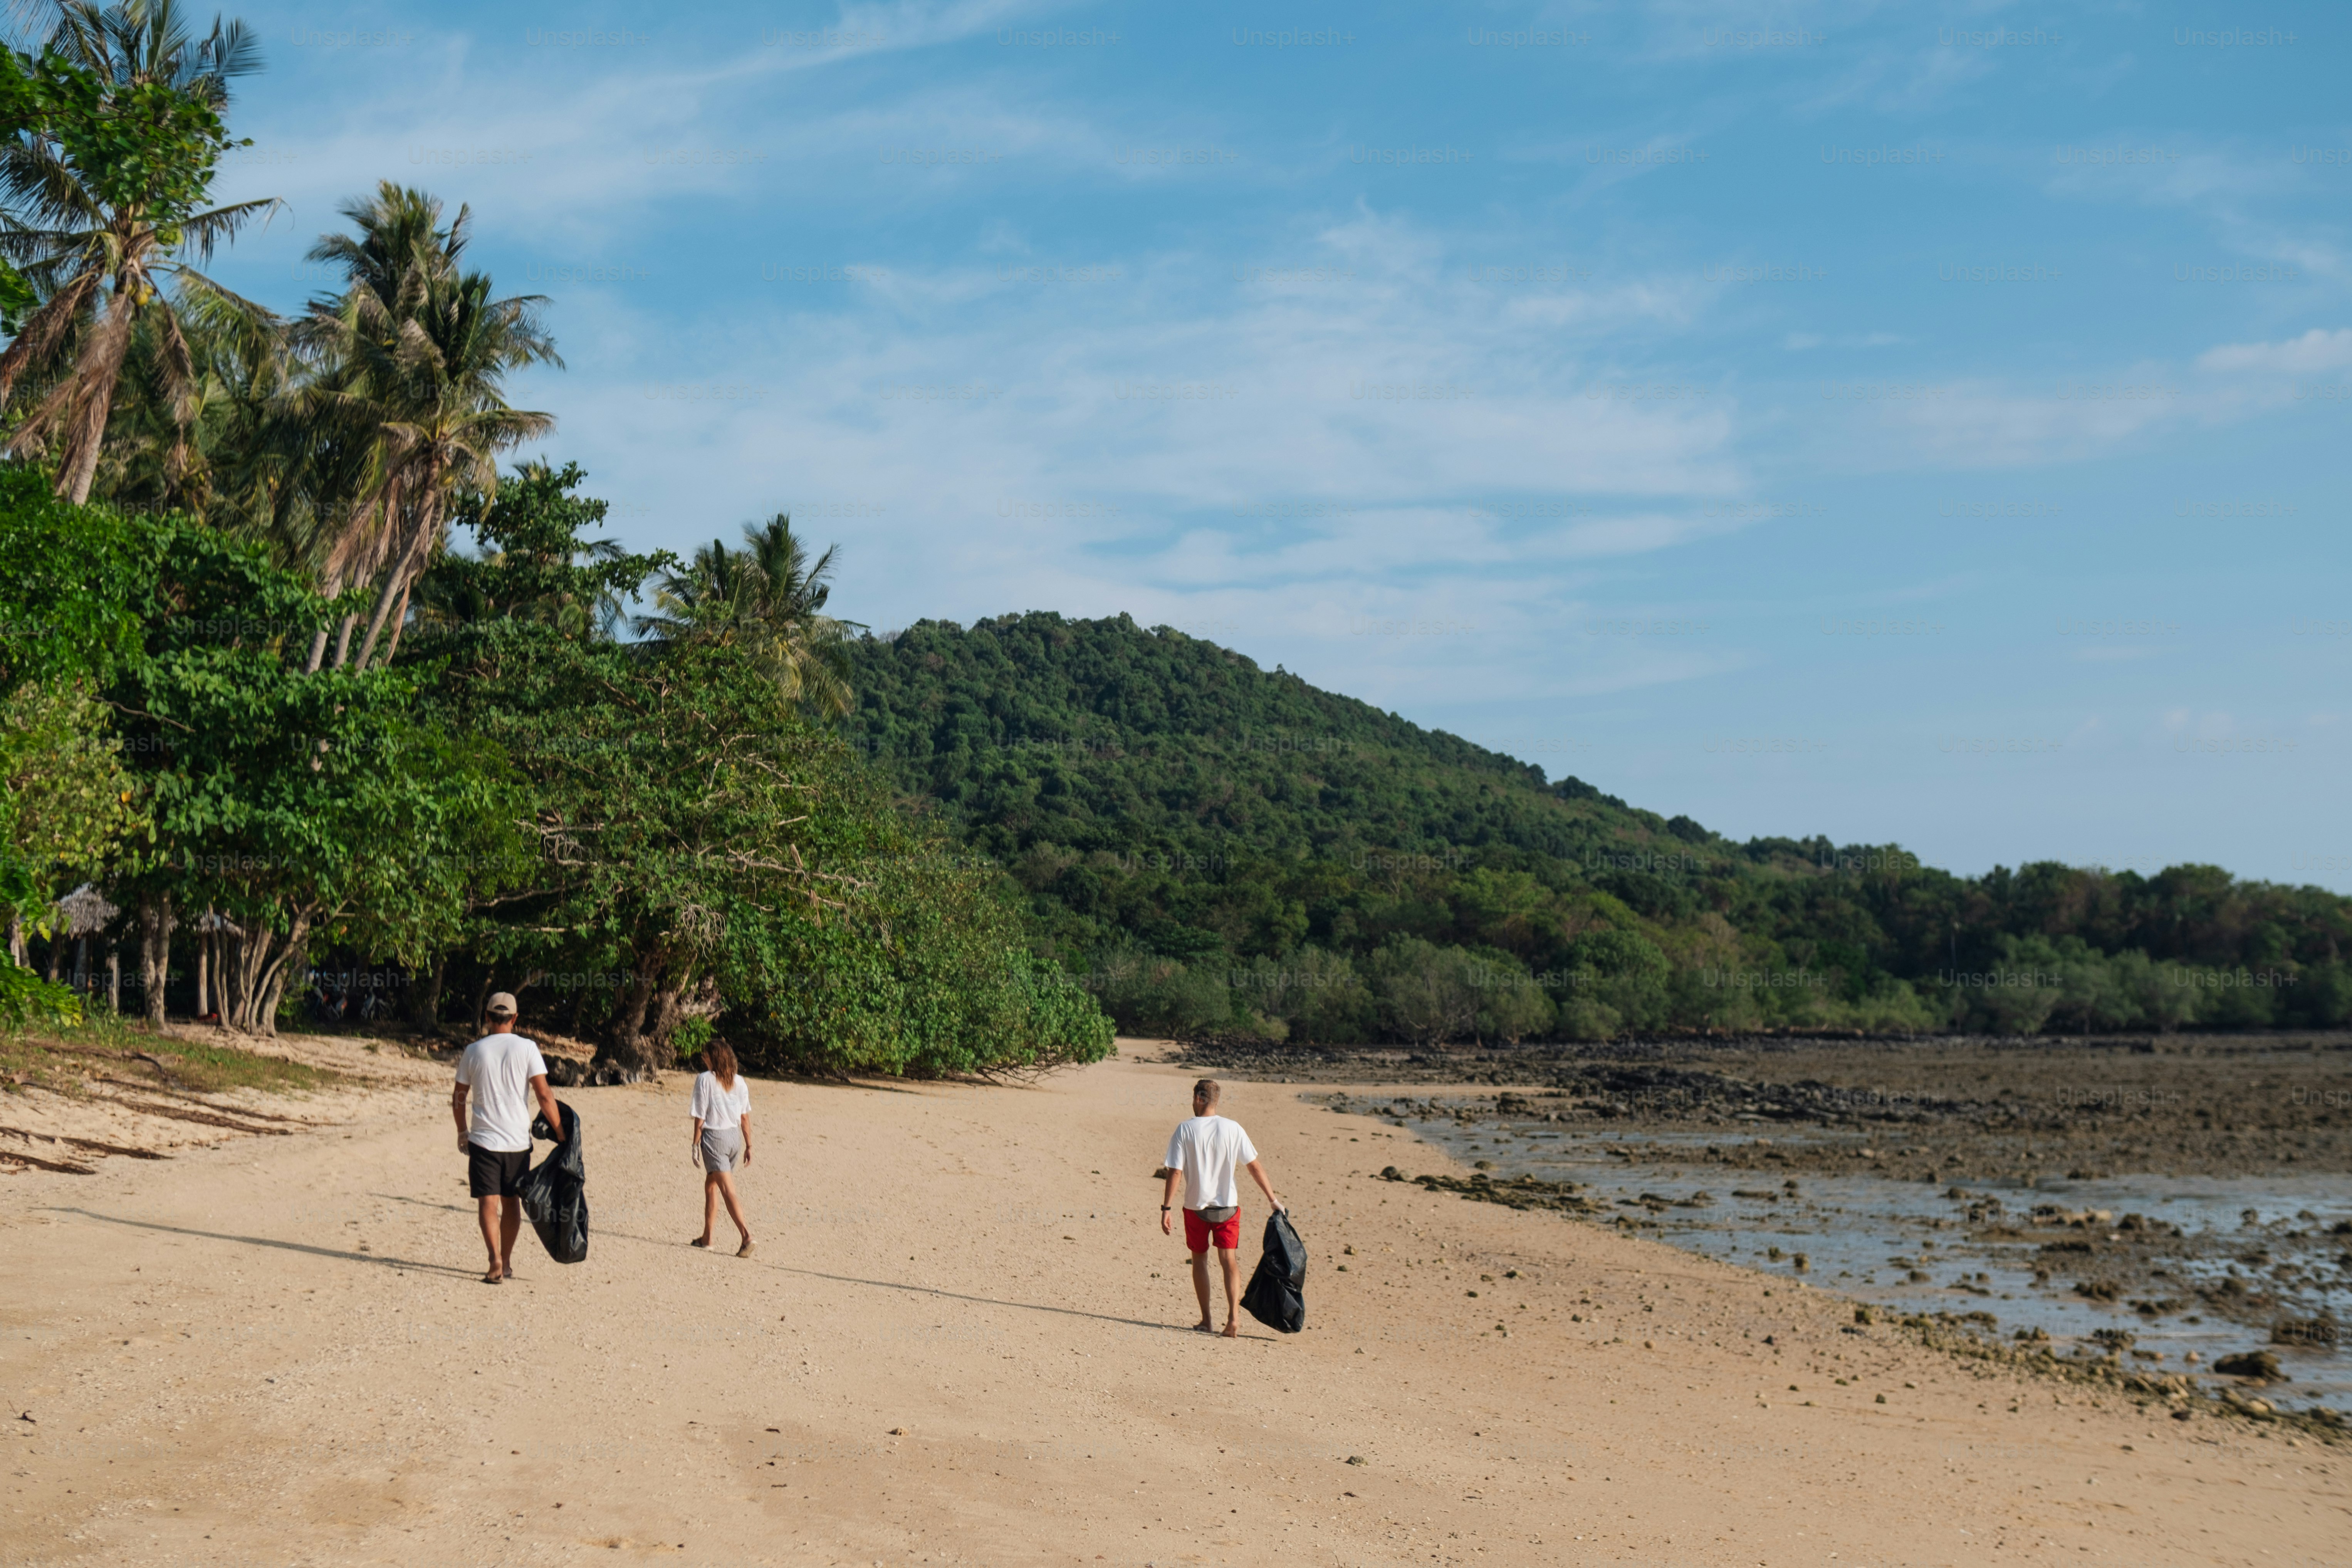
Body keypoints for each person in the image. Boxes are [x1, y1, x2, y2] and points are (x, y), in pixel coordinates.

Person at [451, 992, 562, 1285]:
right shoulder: (527, 1048)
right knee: (511, 1203)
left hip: (484, 1140)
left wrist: (462, 1131)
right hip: (517, 1141)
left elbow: (459, 1097)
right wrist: (561, 1133)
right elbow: (544, 1095)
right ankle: (508, 1261)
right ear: (515, 1019)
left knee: (487, 1203)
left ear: (487, 1017)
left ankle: (494, 1261)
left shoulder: (473, 1051)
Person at [1160, 1077, 1281, 1337]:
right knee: (1229, 1262)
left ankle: (1206, 1320)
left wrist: (1166, 1208)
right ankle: (1233, 1320)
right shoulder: (1233, 1128)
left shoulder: (1185, 1130)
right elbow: (1254, 1166)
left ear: (1199, 1099)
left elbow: (1175, 1172)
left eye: (1194, 1098)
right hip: (1228, 1207)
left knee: (1200, 1261)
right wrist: (1272, 1199)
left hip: (1195, 1208)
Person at [688, 1039, 755, 1257]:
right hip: (734, 1138)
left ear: (714, 1058)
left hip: (715, 1139)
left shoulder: (705, 1080)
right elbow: (745, 1118)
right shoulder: (740, 1082)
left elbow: (700, 1114)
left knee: (728, 1190)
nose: (703, 1059)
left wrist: (695, 1144)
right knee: (711, 1185)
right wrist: (749, 1146)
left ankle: (746, 1237)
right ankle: (707, 1238)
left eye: (706, 1056)